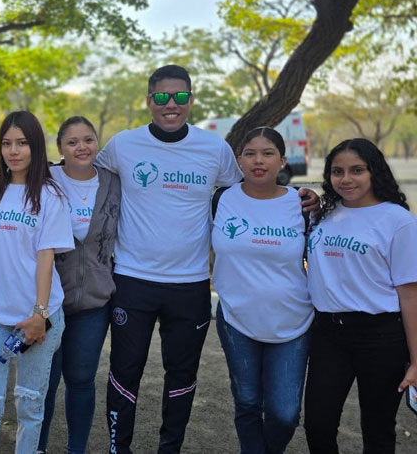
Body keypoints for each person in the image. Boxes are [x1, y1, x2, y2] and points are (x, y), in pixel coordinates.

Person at [95, 64, 318, 454]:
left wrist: (308, 195)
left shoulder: (213, 149)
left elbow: (253, 189)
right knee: (124, 371)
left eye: (180, 97)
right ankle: (119, 448)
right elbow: (80, 175)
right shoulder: (122, 145)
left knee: (181, 375)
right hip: (132, 279)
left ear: (190, 101)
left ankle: (170, 448)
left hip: (191, 283)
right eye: (162, 96)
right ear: (149, 100)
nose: (171, 105)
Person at [303, 138, 417, 454]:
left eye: (357, 170)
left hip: (381, 336)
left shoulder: (398, 221)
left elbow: (410, 295)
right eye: (337, 171)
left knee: (378, 429)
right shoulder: (323, 213)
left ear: (373, 172)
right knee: (317, 424)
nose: (346, 179)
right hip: (328, 333)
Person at [0, 111, 74, 453]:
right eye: (6, 143)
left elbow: (47, 258)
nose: (13, 151)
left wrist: (39, 315)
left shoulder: (50, 195)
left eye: (22, 143)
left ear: (36, 147)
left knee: (30, 406)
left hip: (37, 317)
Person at [211, 127, 312, 454]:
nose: (258, 160)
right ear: (238, 159)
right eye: (250, 153)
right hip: (236, 318)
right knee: (248, 401)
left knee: (284, 414)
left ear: (282, 160)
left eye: (268, 153)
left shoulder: (302, 204)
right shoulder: (221, 198)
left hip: (292, 322)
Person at [37, 116, 121, 454]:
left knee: (82, 381)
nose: (81, 147)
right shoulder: (42, 179)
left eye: (88, 140)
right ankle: (36, 447)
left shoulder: (114, 181)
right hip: (48, 303)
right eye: (72, 142)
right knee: (43, 383)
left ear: (97, 143)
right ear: (60, 148)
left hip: (94, 305)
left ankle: (77, 449)